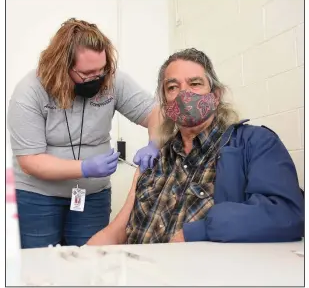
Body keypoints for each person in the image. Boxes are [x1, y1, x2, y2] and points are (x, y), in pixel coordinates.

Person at [87, 48, 304, 245]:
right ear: (165, 103)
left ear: (215, 96)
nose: (184, 94)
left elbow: (288, 213)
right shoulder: (155, 160)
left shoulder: (253, 144)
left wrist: (198, 231)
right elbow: (117, 231)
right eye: (173, 87)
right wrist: (79, 258)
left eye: (195, 83)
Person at [7, 18, 161, 249]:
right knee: (40, 268)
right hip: (37, 197)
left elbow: (155, 114)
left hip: (92, 197)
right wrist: (85, 168)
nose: (97, 78)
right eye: (88, 73)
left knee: (90, 265)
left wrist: (154, 144)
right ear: (61, 66)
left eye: (102, 69)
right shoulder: (29, 92)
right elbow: (30, 161)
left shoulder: (111, 80)